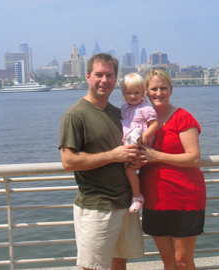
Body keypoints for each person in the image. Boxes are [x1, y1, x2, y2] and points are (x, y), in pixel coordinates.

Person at [58, 53, 144, 270]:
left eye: (110, 75)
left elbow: (130, 152)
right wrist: (114, 155)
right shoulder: (75, 115)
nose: (104, 80)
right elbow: (68, 161)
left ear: (116, 80)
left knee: (119, 262)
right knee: (92, 267)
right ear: (87, 77)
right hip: (97, 207)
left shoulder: (120, 114)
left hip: (125, 204)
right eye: (99, 75)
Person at [138, 67, 206, 270]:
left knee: (183, 262)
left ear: (171, 89)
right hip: (154, 198)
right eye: (154, 89)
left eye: (163, 88)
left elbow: (194, 158)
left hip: (185, 197)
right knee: (168, 262)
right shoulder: (140, 120)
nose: (159, 93)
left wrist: (156, 156)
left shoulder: (182, 117)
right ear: (146, 92)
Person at [119, 73, 159, 213]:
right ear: (123, 94)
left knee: (129, 170)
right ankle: (131, 195)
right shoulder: (124, 107)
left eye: (137, 93)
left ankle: (137, 197)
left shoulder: (146, 109)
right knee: (125, 169)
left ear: (144, 93)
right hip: (128, 142)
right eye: (128, 93)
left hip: (140, 142)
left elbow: (155, 124)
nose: (133, 96)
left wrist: (145, 136)